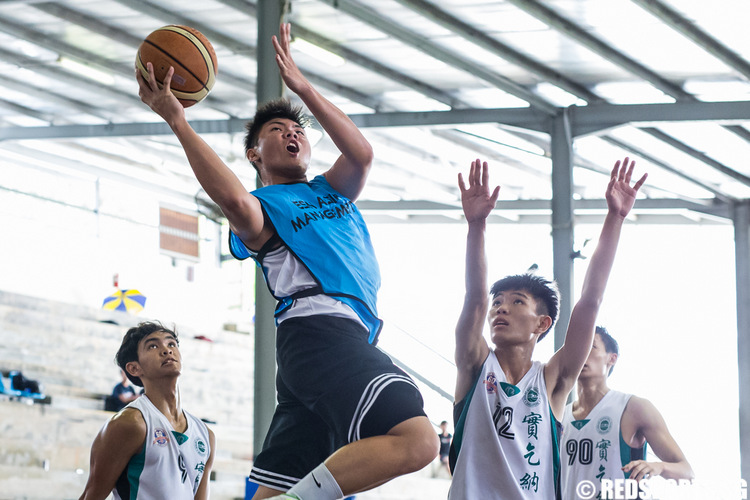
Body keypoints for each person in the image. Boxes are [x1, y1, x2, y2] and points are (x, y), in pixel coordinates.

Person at [136, 22, 437, 500]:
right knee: (420, 441)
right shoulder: (264, 207)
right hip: (320, 333)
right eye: (278, 130)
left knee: (280, 485)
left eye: (299, 130)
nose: (293, 134)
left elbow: (361, 152)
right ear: (255, 154)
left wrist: (302, 87)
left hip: (326, 345)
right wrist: (178, 120)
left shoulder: (330, 190)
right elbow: (234, 202)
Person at [449, 157, 646, 499]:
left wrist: (615, 217)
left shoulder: (551, 382)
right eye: (499, 302)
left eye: (517, 302)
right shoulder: (475, 364)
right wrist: (476, 225)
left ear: (542, 324)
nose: (501, 308)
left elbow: (590, 301)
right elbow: (475, 298)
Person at [79, 321, 215, 500]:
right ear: (134, 368)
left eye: (171, 343)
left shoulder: (205, 435)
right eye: (152, 346)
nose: (167, 350)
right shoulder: (129, 424)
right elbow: (91, 496)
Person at [561, 326, 694, 499]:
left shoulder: (634, 407)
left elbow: (687, 471)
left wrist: (658, 467)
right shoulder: (560, 415)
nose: (581, 352)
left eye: (590, 346)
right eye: (578, 346)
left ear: (612, 358)